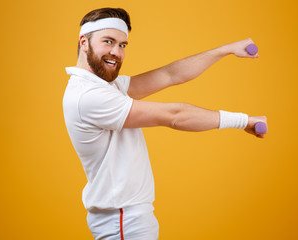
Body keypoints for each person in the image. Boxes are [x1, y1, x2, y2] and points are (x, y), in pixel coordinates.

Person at [63, 7, 267, 240]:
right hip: (121, 220)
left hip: (129, 215)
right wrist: (243, 121)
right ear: (84, 42)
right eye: (108, 42)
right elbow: (174, 115)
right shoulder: (89, 96)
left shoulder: (105, 85)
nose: (116, 52)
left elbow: (170, 75)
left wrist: (225, 50)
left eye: (122, 45)